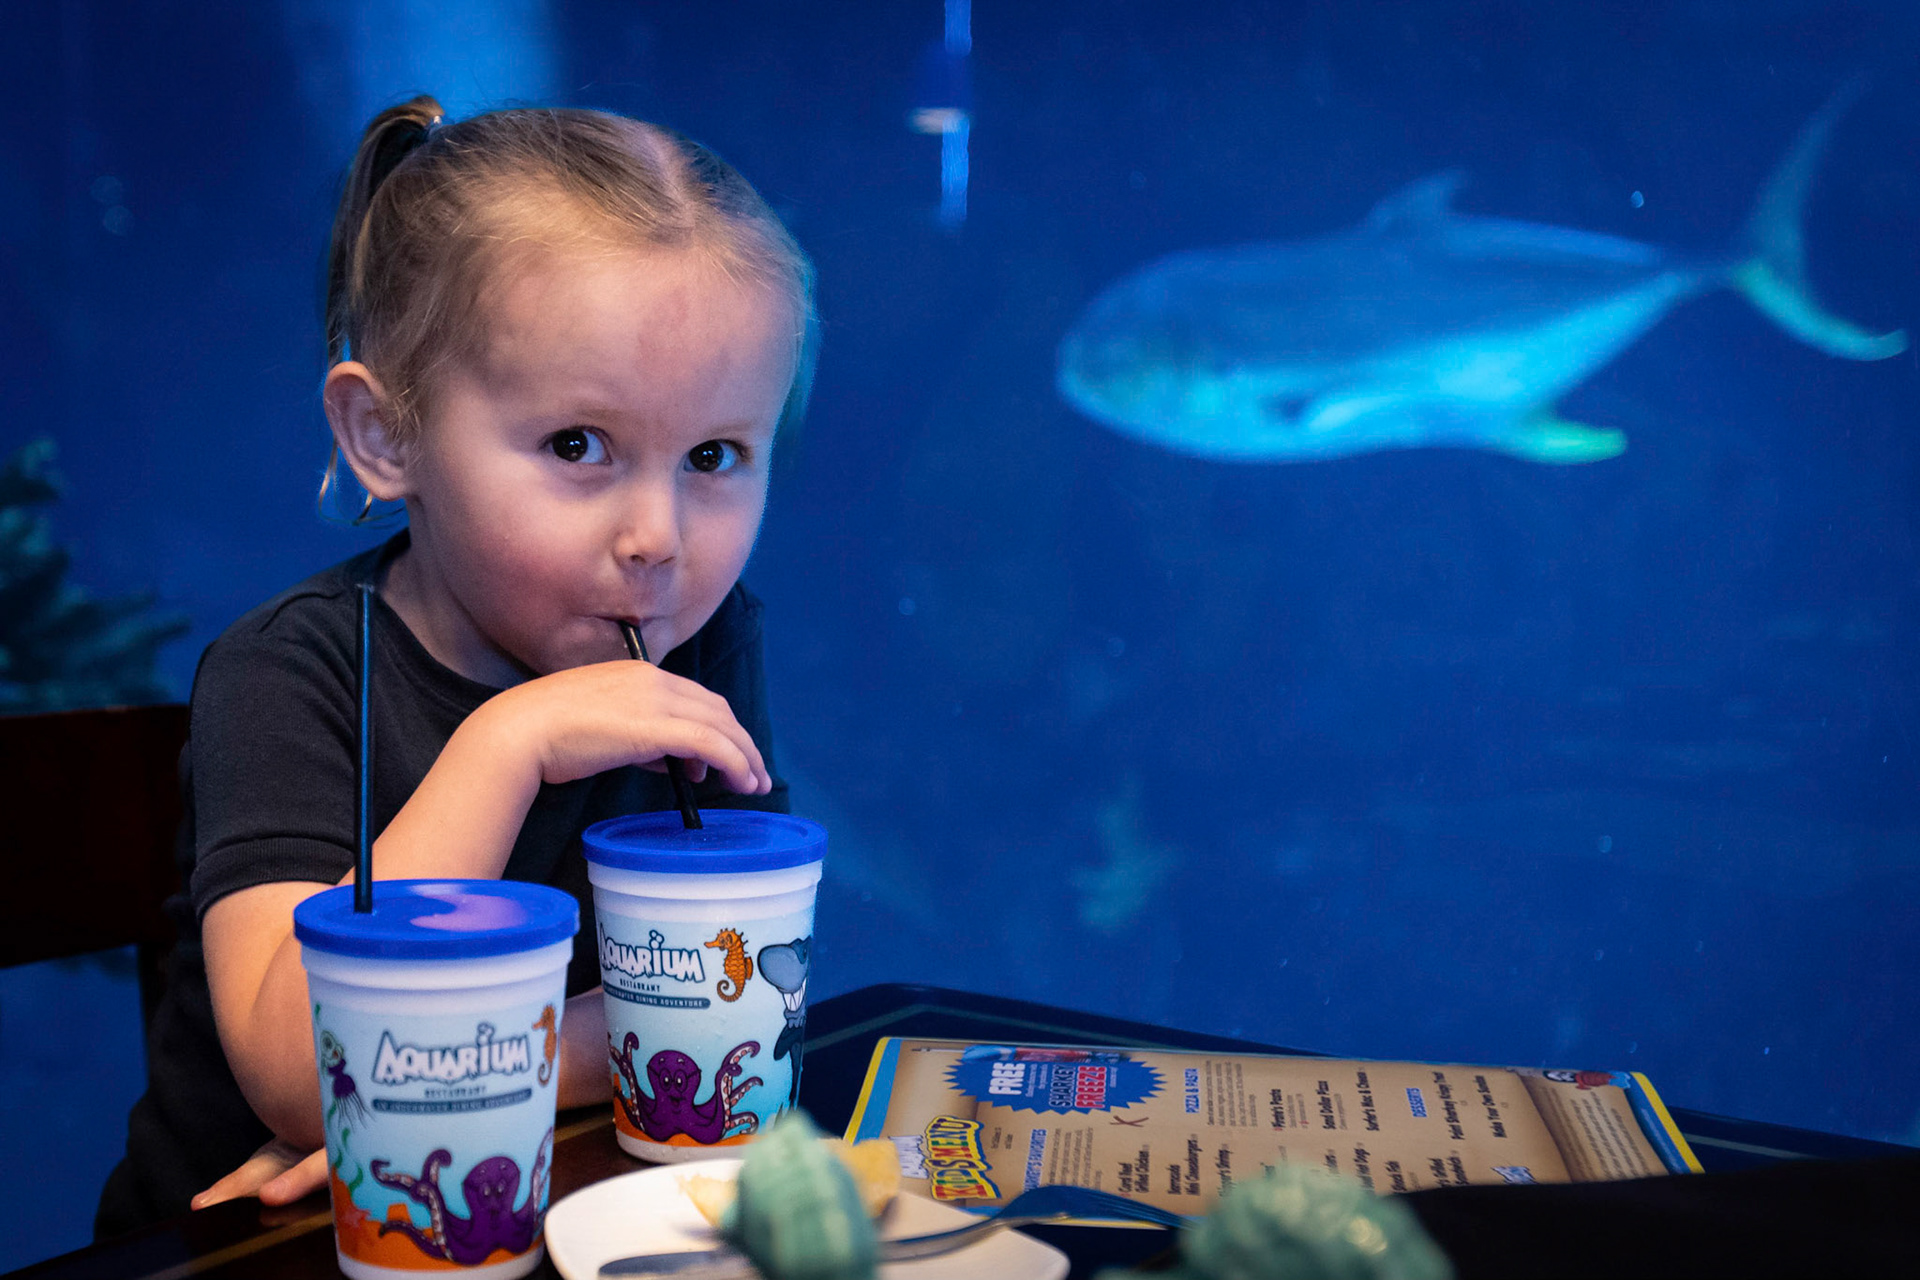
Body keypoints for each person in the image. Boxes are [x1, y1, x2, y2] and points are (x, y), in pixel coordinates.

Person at [96, 95, 816, 1234]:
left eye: (716, 455)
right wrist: (509, 742)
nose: (659, 536)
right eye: (578, 445)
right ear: (387, 437)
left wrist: (423, 1078)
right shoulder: (286, 675)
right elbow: (305, 1069)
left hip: (557, 1207)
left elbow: (753, 1005)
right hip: (256, 1243)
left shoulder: (705, 644)